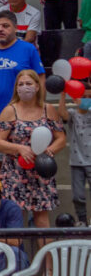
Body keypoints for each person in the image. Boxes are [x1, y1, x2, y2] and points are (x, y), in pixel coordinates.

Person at [0, 71, 65, 233]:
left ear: (37, 87)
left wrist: (50, 150)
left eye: (29, 84)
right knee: (15, 220)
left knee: (42, 221)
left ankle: (46, 259)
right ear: (16, 88)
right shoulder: (10, 111)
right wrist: (19, 148)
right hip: (15, 173)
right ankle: (16, 258)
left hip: (41, 171)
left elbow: (61, 138)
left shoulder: (48, 109)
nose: (25, 87)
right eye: (21, 84)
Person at [0, 10, 45, 173]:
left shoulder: (28, 49)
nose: (0, 29)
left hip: (24, 119)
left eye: (5, 26)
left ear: (15, 28)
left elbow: (40, 79)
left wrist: (39, 107)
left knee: (27, 168)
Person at [58, 84, 91, 226]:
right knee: (78, 195)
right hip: (76, 161)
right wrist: (64, 95)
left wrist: (86, 105)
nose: (86, 100)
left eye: (90, 97)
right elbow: (62, 113)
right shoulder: (72, 114)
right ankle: (82, 220)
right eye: (84, 97)